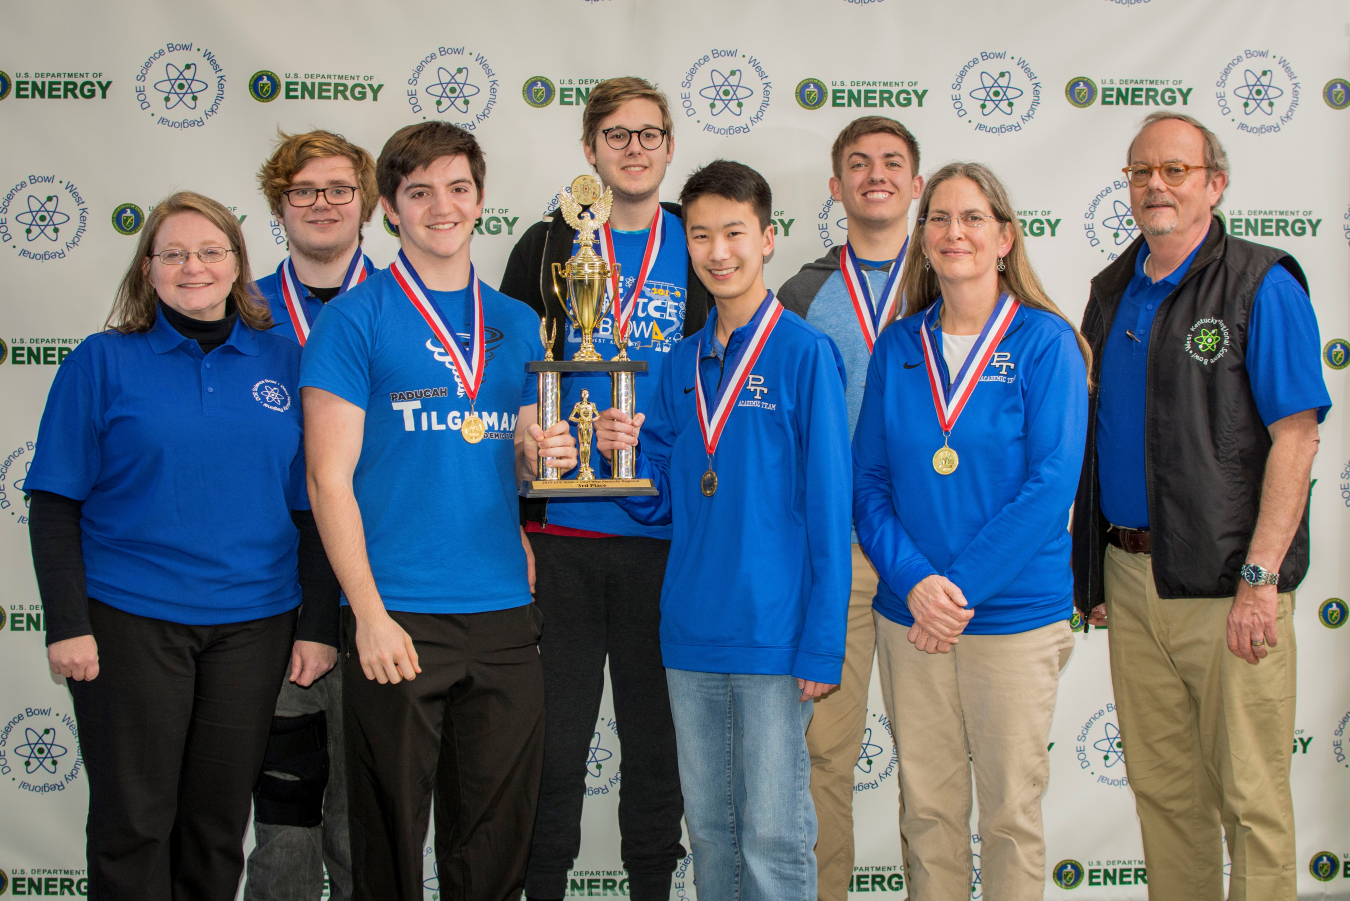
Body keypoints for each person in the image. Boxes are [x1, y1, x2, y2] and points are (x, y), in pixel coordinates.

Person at [25, 191, 334, 901]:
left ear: (238, 265)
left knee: (217, 822)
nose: (192, 266)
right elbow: (54, 504)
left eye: (210, 251)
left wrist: (316, 626)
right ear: (148, 270)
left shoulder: (286, 360)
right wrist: (68, 623)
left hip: (254, 626)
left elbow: (314, 505)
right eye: (173, 253)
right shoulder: (101, 362)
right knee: (134, 820)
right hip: (129, 620)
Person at [299, 121, 577, 901]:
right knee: (388, 840)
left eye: (457, 188)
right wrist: (368, 612)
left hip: (503, 612)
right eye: (419, 192)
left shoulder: (518, 322)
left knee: (493, 842)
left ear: (480, 200)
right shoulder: (353, 320)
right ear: (390, 208)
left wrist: (540, 455)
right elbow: (328, 479)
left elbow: (520, 463)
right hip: (399, 614)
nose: (441, 206)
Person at [1071, 112, 1329, 901]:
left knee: (1250, 800)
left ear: (1215, 184)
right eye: (1141, 171)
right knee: (1166, 796)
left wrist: (1261, 579)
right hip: (1133, 577)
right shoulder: (1111, 288)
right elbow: (1099, 437)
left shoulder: (1262, 282)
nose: (1156, 184)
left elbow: (1297, 439)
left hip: (1229, 587)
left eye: (1175, 170)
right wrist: (1097, 576)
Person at [595, 160, 852, 901]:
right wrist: (627, 454)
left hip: (776, 631)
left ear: (768, 239)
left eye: (735, 232)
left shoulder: (806, 355)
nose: (718, 251)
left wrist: (823, 639)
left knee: (773, 833)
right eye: (701, 236)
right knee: (710, 828)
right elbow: (662, 504)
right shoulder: (677, 364)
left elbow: (832, 511)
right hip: (691, 631)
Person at [853, 162, 1089, 900]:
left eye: (973, 218)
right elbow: (868, 485)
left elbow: (1051, 487)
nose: (956, 232)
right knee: (927, 811)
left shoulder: (1047, 343)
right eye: (941, 219)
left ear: (1005, 237)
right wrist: (917, 583)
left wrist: (955, 589)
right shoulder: (897, 347)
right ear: (923, 240)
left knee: (1011, 817)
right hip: (911, 615)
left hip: (1012, 617)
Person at [500, 76, 705, 901]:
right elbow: (508, 378)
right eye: (616, 135)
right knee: (553, 747)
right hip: (563, 540)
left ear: (668, 146)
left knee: (658, 746)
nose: (634, 148)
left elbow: (717, 388)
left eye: (649, 134)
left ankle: (652, 889)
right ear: (589, 149)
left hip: (667, 539)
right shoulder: (545, 244)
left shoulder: (698, 244)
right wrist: (522, 469)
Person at [776, 115, 922, 901]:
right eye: (859, 164)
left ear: (916, 184)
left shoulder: (951, 275)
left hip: (931, 555)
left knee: (932, 766)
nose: (876, 175)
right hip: (838, 557)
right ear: (835, 188)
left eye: (893, 162)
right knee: (826, 756)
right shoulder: (800, 293)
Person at [246, 128, 379, 901]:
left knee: (368, 813)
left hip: (380, 591)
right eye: (304, 191)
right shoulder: (242, 312)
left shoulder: (408, 309)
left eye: (338, 189)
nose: (322, 203)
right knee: (285, 818)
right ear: (279, 206)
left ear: (368, 205)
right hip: (272, 593)